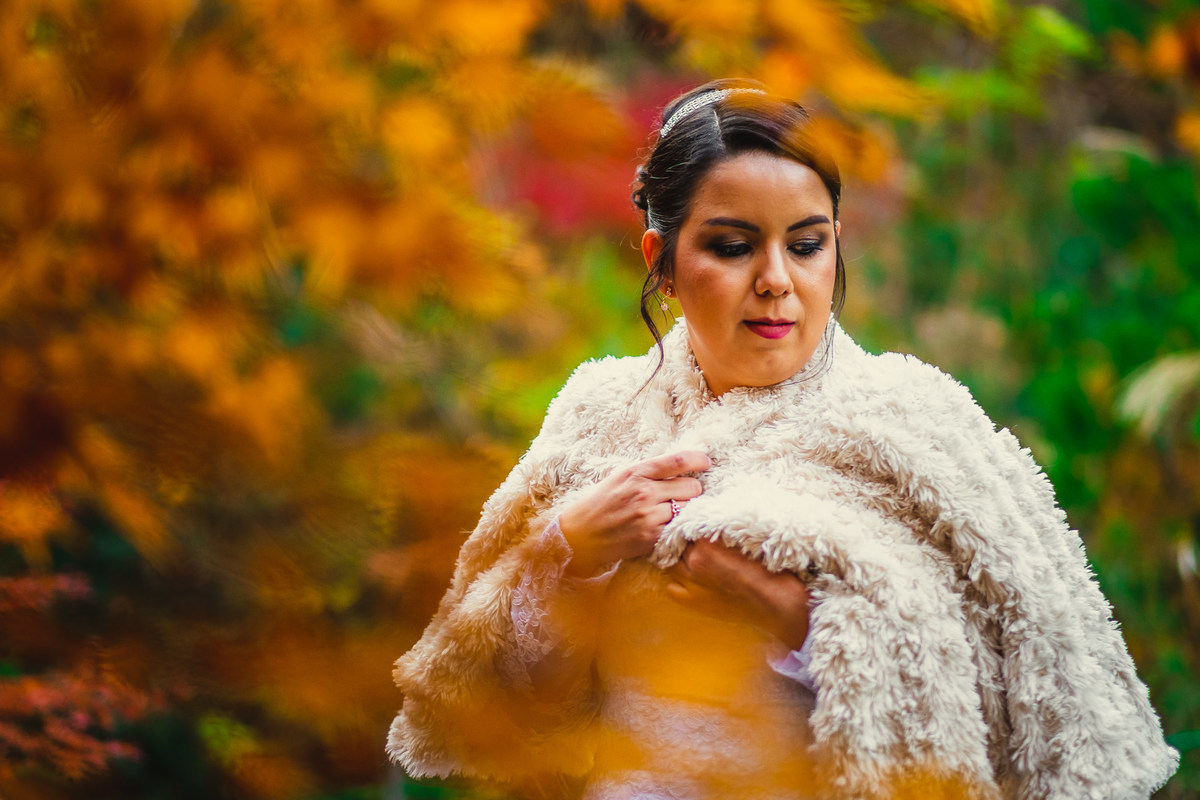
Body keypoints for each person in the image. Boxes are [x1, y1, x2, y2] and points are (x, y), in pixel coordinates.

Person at [387, 79, 1179, 799]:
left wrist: (800, 620)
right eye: (732, 246)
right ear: (662, 263)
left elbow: (1019, 709)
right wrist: (570, 550)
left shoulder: (915, 422)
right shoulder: (600, 415)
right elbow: (498, 708)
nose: (777, 280)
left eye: (806, 245)